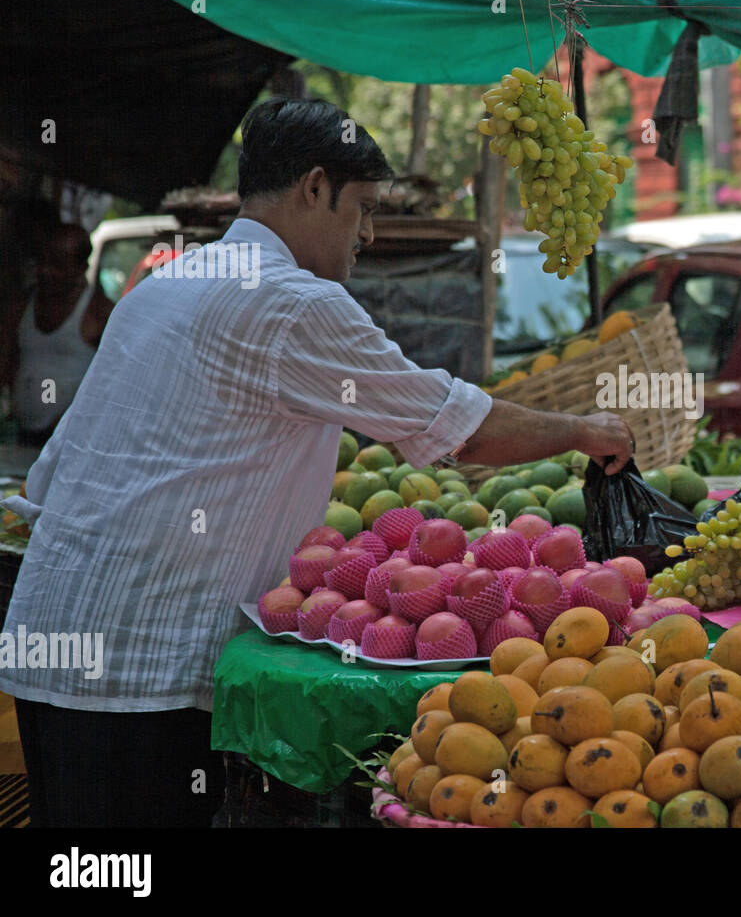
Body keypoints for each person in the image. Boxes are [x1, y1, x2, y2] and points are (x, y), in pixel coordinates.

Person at [0, 98, 634, 827]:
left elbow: (54, 475)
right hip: (140, 665)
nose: (367, 232)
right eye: (362, 206)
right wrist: (586, 430)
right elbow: (462, 429)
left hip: (54, 632)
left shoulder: (164, 285)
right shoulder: (293, 303)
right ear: (313, 186)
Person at [0, 220, 111, 446]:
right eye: (43, 262)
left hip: (73, 441)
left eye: (58, 265)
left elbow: (113, 379)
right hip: (23, 435)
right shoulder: (22, 306)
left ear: (81, 267)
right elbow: (6, 359)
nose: (46, 272)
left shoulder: (100, 312)